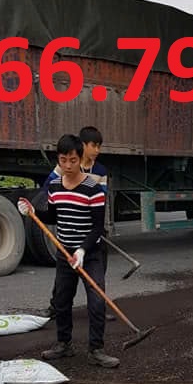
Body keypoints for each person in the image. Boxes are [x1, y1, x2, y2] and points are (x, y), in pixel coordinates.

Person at [36, 133, 119, 368]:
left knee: (96, 301)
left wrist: (82, 250)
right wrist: (32, 211)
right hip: (65, 252)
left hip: (90, 254)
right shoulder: (54, 186)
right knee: (62, 301)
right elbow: (53, 217)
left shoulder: (94, 189)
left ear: (80, 159)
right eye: (63, 160)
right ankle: (64, 345)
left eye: (73, 160)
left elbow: (97, 227)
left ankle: (96, 349)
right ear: (58, 159)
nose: (68, 166)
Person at [44, 125, 115, 319]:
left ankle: (99, 307)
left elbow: (101, 199)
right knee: (64, 276)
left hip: (93, 228)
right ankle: (56, 306)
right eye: (94, 145)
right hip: (69, 230)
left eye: (99, 146)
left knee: (98, 271)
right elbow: (49, 187)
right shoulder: (66, 165)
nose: (97, 150)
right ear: (83, 146)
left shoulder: (100, 171)